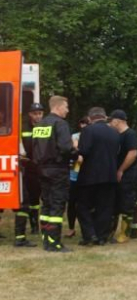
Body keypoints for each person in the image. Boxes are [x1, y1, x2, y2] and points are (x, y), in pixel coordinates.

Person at [32, 96, 74, 252]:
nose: (67, 110)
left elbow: (34, 148)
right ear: (58, 107)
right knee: (57, 205)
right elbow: (65, 148)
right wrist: (76, 152)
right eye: (66, 107)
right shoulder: (60, 124)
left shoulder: (39, 125)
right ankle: (55, 242)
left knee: (46, 205)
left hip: (42, 169)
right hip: (58, 170)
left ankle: (46, 238)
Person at [76, 107, 120, 246]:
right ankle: (101, 237)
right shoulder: (114, 132)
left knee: (82, 206)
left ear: (90, 118)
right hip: (110, 175)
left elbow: (84, 151)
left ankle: (90, 235)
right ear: (104, 116)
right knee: (105, 207)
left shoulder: (87, 130)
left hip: (90, 176)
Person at [13, 102, 45, 247]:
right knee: (26, 199)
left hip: (40, 167)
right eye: (35, 113)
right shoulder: (23, 127)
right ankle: (23, 233)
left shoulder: (45, 126)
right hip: (26, 167)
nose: (37, 116)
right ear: (30, 114)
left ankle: (34, 226)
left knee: (36, 199)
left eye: (40, 113)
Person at [108, 109, 137, 242]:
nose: (110, 124)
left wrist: (121, 169)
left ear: (117, 121)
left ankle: (125, 233)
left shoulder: (130, 134)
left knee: (127, 203)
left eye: (111, 121)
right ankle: (110, 232)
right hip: (118, 173)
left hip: (129, 173)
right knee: (116, 203)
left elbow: (132, 154)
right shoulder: (117, 135)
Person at [64, 116, 90, 239]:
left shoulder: (91, 136)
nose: (84, 125)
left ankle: (87, 229)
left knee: (86, 204)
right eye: (83, 123)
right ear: (80, 125)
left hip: (87, 176)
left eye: (87, 123)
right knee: (72, 203)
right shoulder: (74, 136)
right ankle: (71, 228)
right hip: (74, 175)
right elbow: (75, 151)